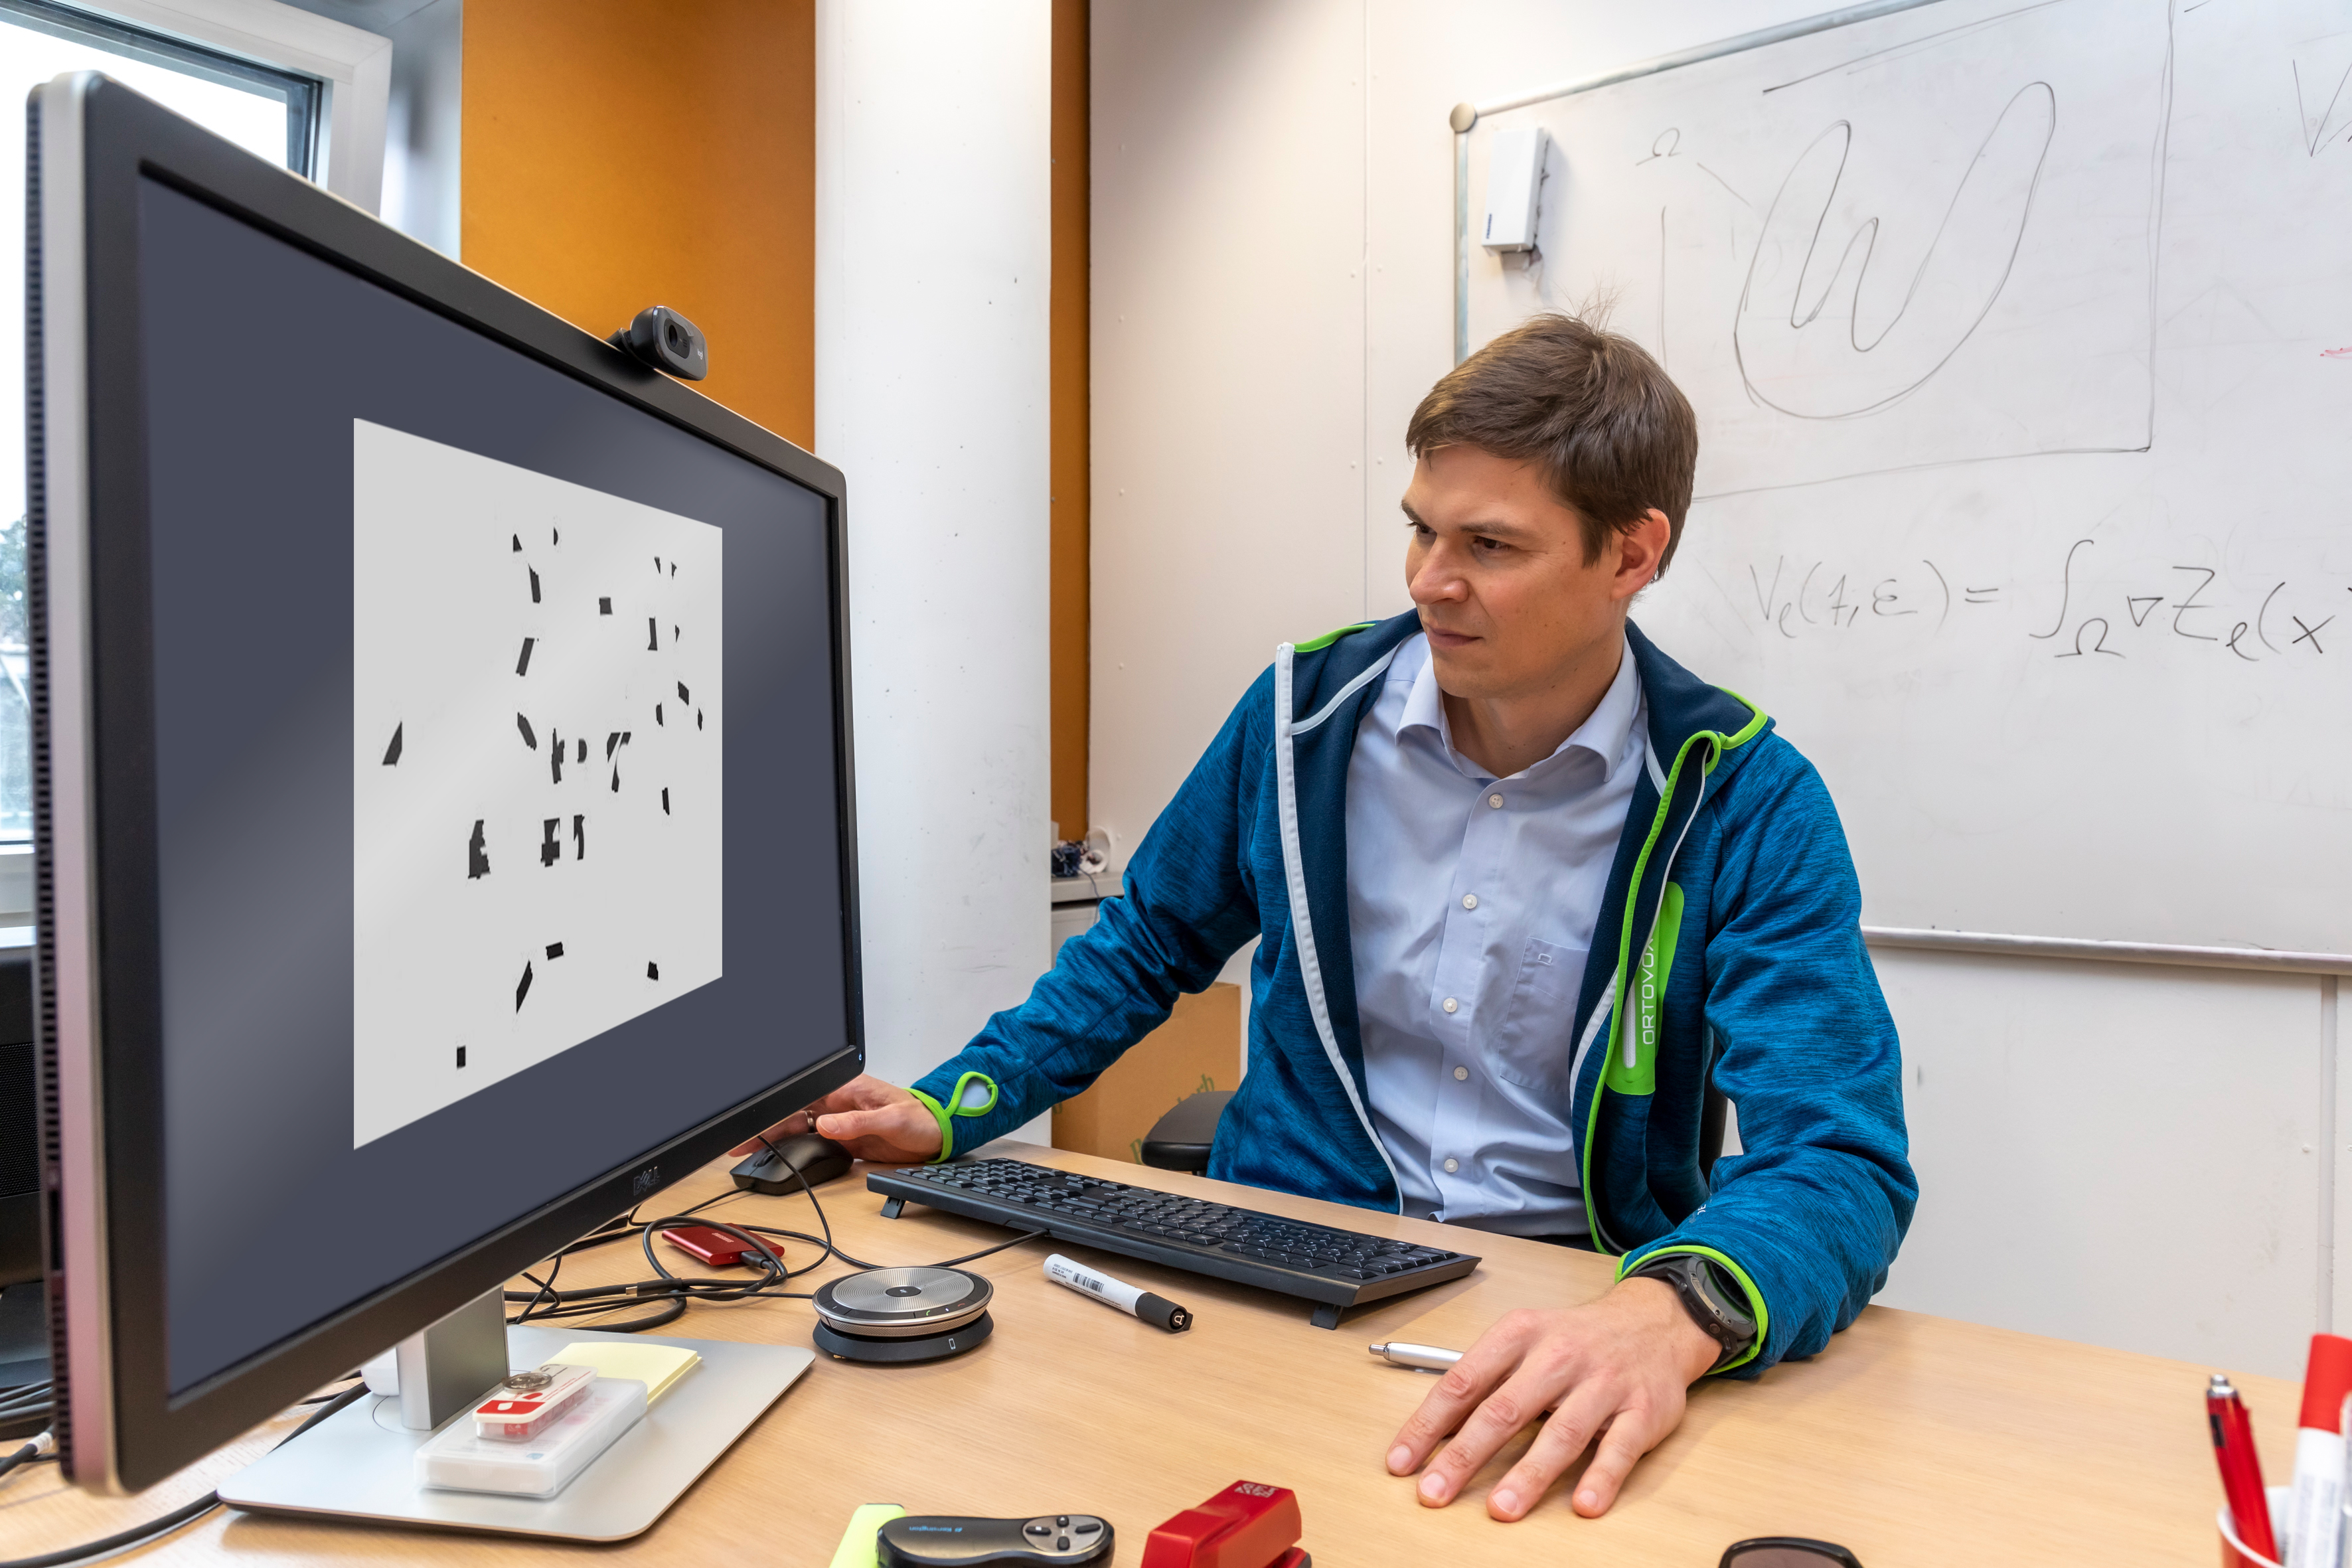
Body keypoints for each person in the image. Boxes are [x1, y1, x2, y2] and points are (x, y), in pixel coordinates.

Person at [738, 315, 1915, 1523]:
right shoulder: (1305, 717)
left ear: (1631, 554)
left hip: (1566, 1300)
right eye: (1421, 528)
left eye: (1489, 545)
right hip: (1270, 1266)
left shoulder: (1745, 799)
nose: (1428, 580)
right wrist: (952, 1103)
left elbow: (1841, 1156)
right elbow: (1146, 944)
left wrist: (1671, 1312)